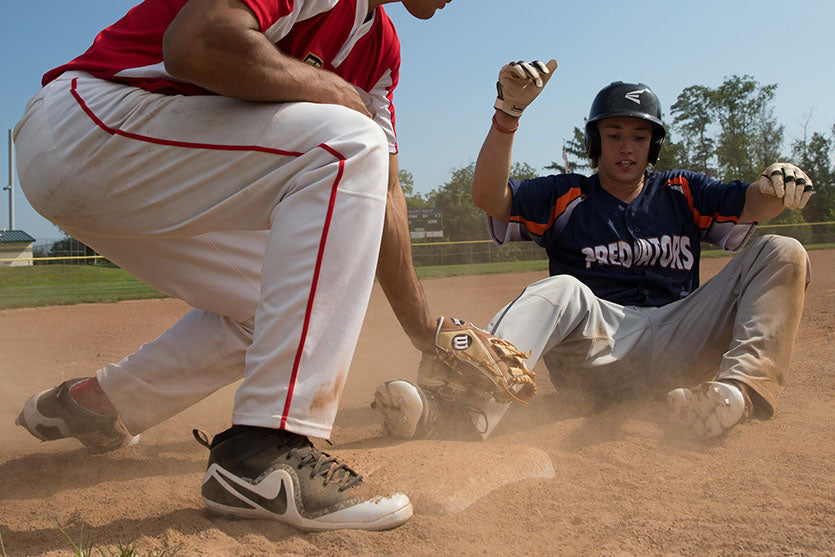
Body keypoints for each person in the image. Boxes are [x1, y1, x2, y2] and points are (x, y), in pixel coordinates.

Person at [13, 0, 456, 532]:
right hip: (91, 124)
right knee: (348, 143)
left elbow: (382, 192)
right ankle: (262, 452)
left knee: (279, 301)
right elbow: (198, 41)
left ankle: (97, 404)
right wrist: (339, 93)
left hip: (148, 162)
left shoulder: (381, 51)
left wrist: (426, 333)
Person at [373, 59, 813, 443]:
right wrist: (508, 114)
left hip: (681, 339)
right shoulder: (567, 195)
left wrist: (777, 185)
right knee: (561, 288)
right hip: (600, 350)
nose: (626, 146)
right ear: (595, 141)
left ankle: (735, 396)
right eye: (614, 133)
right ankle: (466, 412)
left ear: (653, 145)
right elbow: (490, 198)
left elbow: (754, 202)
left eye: (640, 136)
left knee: (782, 249)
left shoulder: (682, 191)